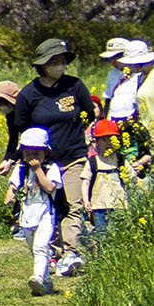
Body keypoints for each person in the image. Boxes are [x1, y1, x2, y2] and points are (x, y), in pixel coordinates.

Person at [9, 37, 96, 276]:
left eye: (62, 61)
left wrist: (85, 136)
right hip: (44, 162)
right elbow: (21, 128)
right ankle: (52, 252)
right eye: (54, 61)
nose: (60, 65)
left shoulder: (75, 86)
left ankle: (71, 253)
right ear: (43, 64)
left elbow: (90, 113)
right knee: (51, 207)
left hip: (74, 156)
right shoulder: (29, 94)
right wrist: (18, 158)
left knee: (73, 205)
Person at [5, 127, 62, 296]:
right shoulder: (21, 168)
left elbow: (50, 187)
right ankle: (46, 281)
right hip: (27, 215)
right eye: (28, 153)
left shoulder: (51, 168)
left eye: (37, 154)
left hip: (45, 213)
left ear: (45, 153)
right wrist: (10, 193)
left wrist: (38, 170)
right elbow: (13, 185)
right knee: (33, 247)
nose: (32, 158)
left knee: (40, 246)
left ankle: (37, 277)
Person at [82, 119, 133, 247]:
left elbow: (132, 179)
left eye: (111, 139)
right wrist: (85, 200)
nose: (108, 143)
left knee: (119, 237)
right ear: (96, 142)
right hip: (99, 206)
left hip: (119, 205)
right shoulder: (93, 162)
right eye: (104, 140)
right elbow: (85, 182)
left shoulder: (120, 160)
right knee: (102, 237)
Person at [0, 80, 24, 174]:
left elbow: (30, 140)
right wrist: (6, 159)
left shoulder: (26, 113)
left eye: (2, 101)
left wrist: (12, 160)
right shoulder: (10, 115)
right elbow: (13, 138)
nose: (0, 104)